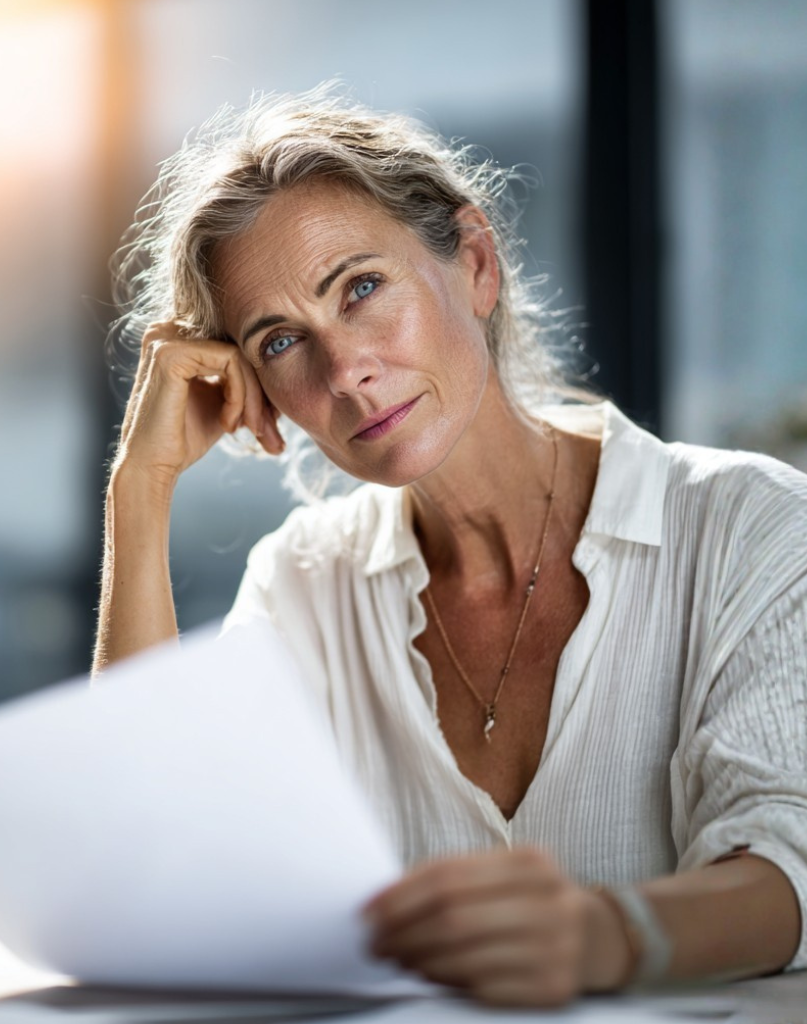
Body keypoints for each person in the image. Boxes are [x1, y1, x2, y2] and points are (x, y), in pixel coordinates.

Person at [93, 86, 807, 1007]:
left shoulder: (750, 527)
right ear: (256, 391)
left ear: (474, 263)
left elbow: (789, 872)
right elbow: (145, 867)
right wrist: (137, 492)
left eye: (360, 288)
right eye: (280, 342)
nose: (344, 369)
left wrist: (603, 936)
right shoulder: (307, 585)